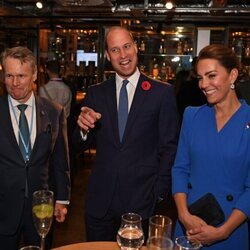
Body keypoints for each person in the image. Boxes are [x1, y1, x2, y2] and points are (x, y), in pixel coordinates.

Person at [73, 26, 180, 241]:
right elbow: (78, 145)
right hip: (99, 204)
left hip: (141, 203)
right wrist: (83, 130)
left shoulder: (162, 93)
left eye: (127, 46)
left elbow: (169, 147)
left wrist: (158, 193)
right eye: (115, 50)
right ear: (107, 55)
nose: (123, 55)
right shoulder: (96, 93)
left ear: (136, 48)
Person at [172, 44, 250, 249]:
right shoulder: (192, 115)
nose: (204, 84)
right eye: (200, 77)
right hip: (189, 225)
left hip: (230, 230)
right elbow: (180, 169)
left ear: (232, 75)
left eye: (211, 75)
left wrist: (223, 231)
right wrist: (184, 215)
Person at [0, 46, 71, 250]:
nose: (14, 83)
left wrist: (62, 200)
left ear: (34, 76)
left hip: (41, 208)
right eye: (9, 75)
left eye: (21, 76)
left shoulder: (53, 111)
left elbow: (60, 160)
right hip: (3, 207)